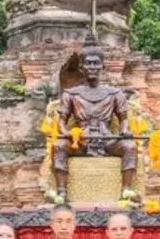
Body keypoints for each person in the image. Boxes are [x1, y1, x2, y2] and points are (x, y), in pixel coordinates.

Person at [52, 31, 137, 200]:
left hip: (107, 139)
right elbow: (62, 121)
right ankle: (61, 191)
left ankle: (127, 191)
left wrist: (124, 131)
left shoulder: (115, 93)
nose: (92, 67)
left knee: (130, 146)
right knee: (59, 145)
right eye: (88, 63)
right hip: (81, 140)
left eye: (96, 63)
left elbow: (124, 119)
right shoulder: (71, 94)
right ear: (81, 68)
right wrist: (67, 133)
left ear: (102, 67)